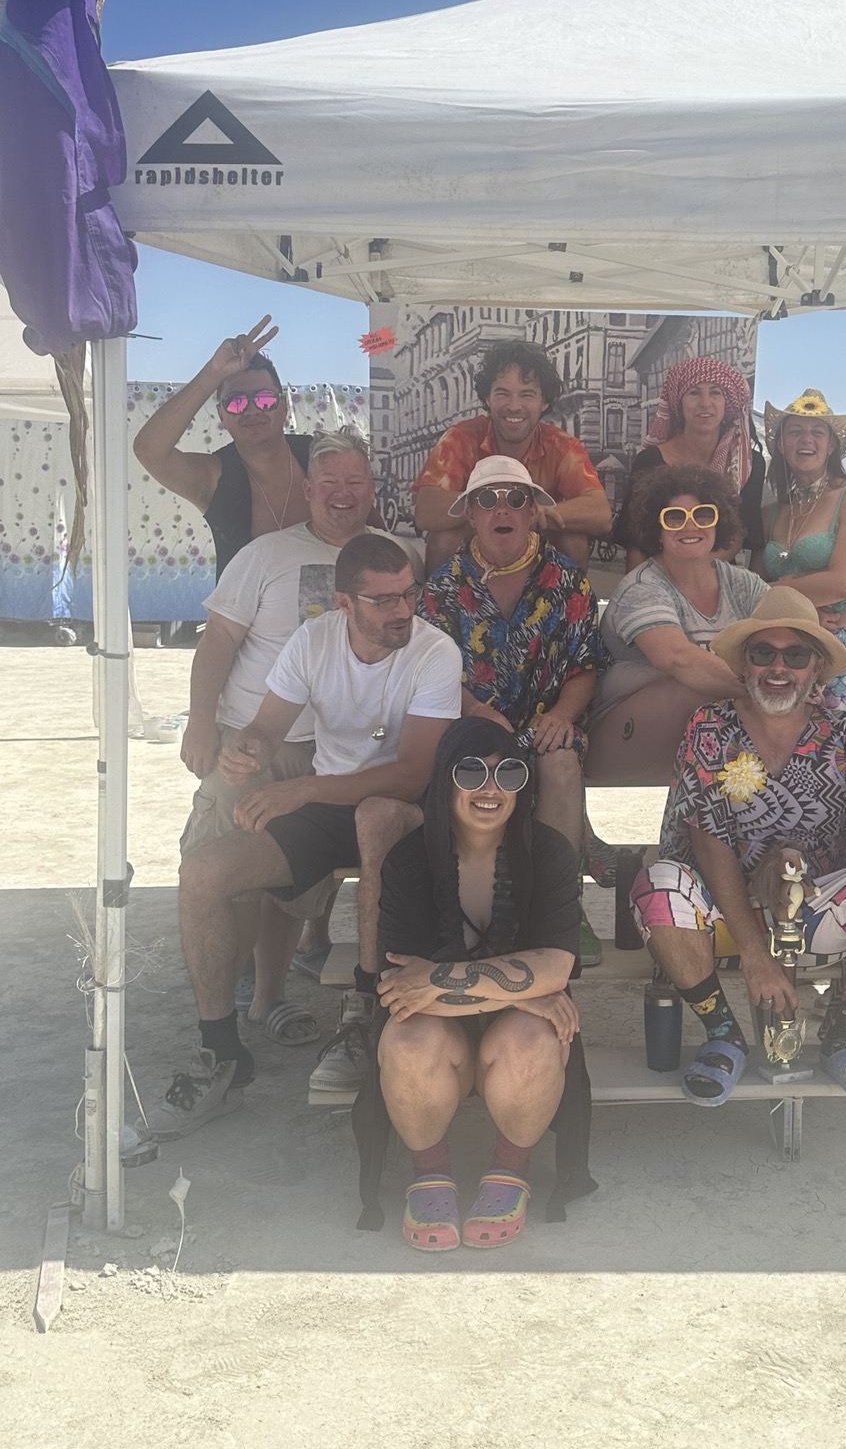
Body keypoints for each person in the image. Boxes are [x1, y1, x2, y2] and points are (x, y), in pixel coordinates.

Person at [148, 534, 462, 1140]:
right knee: (202, 874)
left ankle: (368, 1013)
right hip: (331, 805)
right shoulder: (313, 639)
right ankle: (220, 1052)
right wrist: (248, 750)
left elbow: (412, 775)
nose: (402, 610)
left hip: (409, 813)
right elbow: (267, 727)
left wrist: (302, 791)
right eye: (383, 600)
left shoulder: (434, 652)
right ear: (345, 601)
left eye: (408, 594)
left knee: (374, 815)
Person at [630, 586, 846, 1110]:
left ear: (816, 669)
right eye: (763, 653)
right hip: (726, 912)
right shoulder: (710, 728)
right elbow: (709, 843)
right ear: (744, 665)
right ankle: (722, 1033)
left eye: (795, 655)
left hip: (819, 909)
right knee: (658, 887)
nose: (778, 667)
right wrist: (754, 952)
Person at [179, 430, 420, 1050]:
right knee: (221, 865)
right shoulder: (265, 554)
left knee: (295, 889)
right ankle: (220, 1014)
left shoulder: (396, 557)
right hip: (255, 739)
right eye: (330, 482)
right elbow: (218, 642)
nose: (342, 494)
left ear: (372, 489)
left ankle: (269, 999)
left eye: (355, 482)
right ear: (309, 490)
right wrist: (201, 722)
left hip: (338, 751)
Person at [370, 717, 594, 1251]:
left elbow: (558, 968)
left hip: (507, 1032)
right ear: (445, 780)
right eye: (471, 772)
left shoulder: (550, 853)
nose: (490, 788)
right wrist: (526, 987)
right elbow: (402, 990)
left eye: (508, 774)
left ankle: (508, 1171)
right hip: (435, 1031)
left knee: (536, 1040)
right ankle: (431, 1171)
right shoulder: (407, 861)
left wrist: (440, 981)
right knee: (407, 1039)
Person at [417, 454, 607, 963]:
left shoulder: (568, 581)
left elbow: (586, 666)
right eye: (487, 498)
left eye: (516, 498)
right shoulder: (441, 588)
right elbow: (425, 670)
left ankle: (561, 910)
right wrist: (475, 710)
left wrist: (562, 715)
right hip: (468, 732)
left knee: (562, 763)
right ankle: (475, 913)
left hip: (544, 727)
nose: (502, 508)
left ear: (531, 513)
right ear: (471, 515)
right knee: (465, 770)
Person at [585, 463, 768, 785]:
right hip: (620, 742)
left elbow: (790, 634)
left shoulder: (744, 584)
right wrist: (766, 691)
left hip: (714, 728)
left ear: (719, 522)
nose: (689, 526)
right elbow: (678, 659)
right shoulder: (641, 587)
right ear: (656, 528)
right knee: (693, 686)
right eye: (673, 517)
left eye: (703, 515)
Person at [132, 316, 311, 577]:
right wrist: (213, 373)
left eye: (264, 399)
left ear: (284, 406)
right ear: (221, 416)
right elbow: (149, 450)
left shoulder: (321, 457)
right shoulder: (214, 477)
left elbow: (373, 536)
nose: (251, 410)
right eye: (236, 403)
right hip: (240, 618)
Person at [412, 339, 612, 573]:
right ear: (487, 398)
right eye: (503, 393)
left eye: (526, 395)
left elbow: (601, 514)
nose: (514, 406)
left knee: (573, 541)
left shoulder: (562, 445)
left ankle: (568, 608)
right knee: (443, 540)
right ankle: (437, 608)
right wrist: (493, 511)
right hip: (476, 553)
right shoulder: (460, 437)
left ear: (544, 402)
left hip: (537, 558)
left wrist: (542, 512)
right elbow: (425, 512)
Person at [757, 389, 846, 727]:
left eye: (817, 431)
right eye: (794, 430)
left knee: (845, 762)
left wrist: (779, 592)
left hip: (840, 651)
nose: (805, 439)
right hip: (779, 653)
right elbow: (750, 590)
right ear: (780, 443)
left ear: (831, 446)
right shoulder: (770, 512)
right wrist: (801, 608)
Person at [614, 355, 765, 568]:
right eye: (694, 392)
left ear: (727, 402)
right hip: (655, 576)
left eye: (715, 393)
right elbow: (636, 540)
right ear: (679, 402)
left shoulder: (748, 464)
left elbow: (738, 535)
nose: (705, 403)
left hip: (714, 576)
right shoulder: (650, 461)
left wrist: (691, 572)